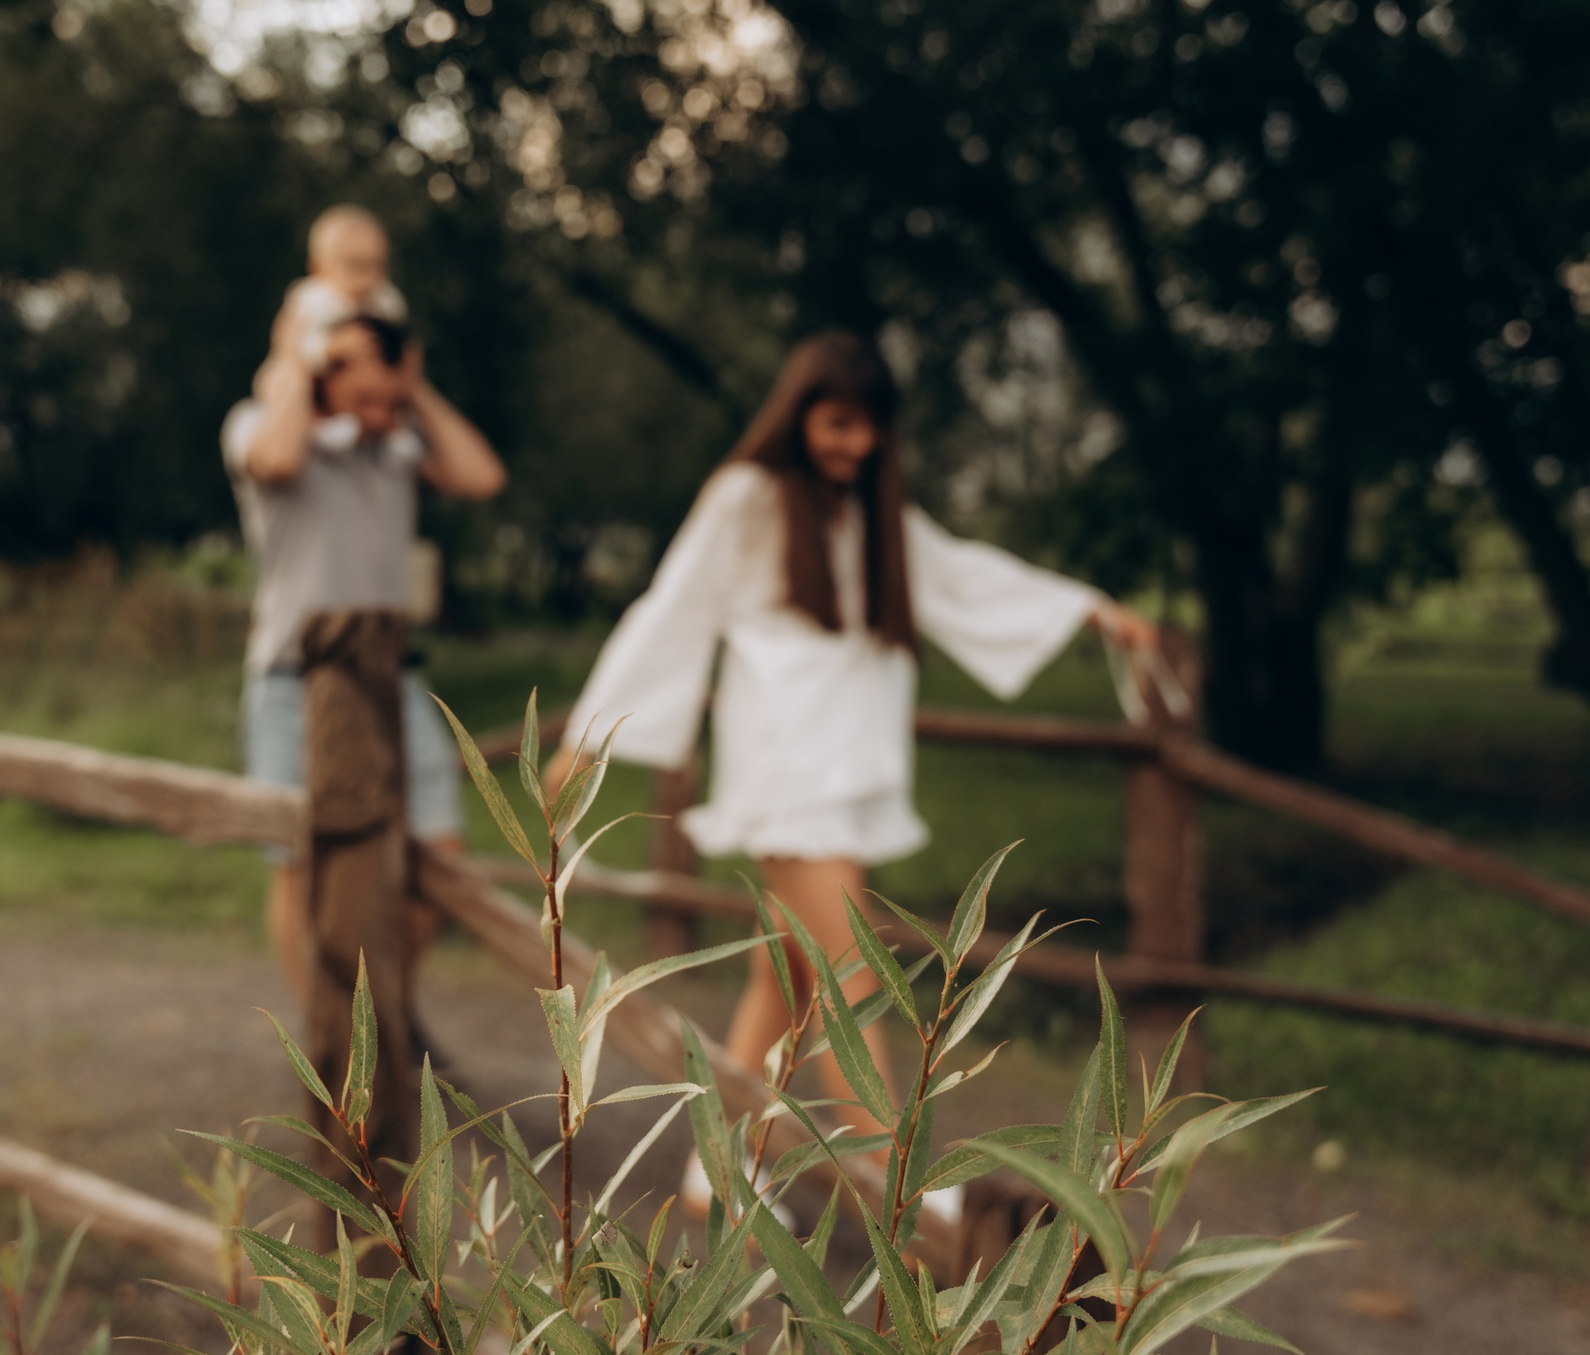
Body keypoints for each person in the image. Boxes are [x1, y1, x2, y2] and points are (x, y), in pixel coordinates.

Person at [547, 331, 1160, 1219]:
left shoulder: (875, 512)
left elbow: (963, 579)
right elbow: (671, 610)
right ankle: (909, 1194)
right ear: (799, 416)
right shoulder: (747, 497)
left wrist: (1092, 613)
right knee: (850, 978)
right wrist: (589, 738)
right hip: (786, 771)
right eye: (838, 424)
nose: (855, 445)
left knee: (793, 982)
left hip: (851, 770)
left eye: (870, 429)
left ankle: (720, 1167)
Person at [223, 310, 506, 984]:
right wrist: (299, 361)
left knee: (442, 856)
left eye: (390, 395)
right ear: (326, 374)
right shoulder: (256, 423)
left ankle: (381, 1022)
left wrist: (416, 395)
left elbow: (482, 477)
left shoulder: (398, 445)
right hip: (292, 678)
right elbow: (278, 458)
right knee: (299, 864)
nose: (379, 411)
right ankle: (328, 1049)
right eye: (362, 395)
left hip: (391, 678)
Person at [250, 205, 412, 436]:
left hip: (360, 386)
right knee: (276, 382)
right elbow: (294, 347)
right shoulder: (313, 299)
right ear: (318, 268)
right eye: (355, 267)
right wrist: (330, 348)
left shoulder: (385, 299)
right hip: (305, 373)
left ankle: (390, 424)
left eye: (376, 266)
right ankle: (305, 426)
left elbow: (398, 333)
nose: (367, 279)